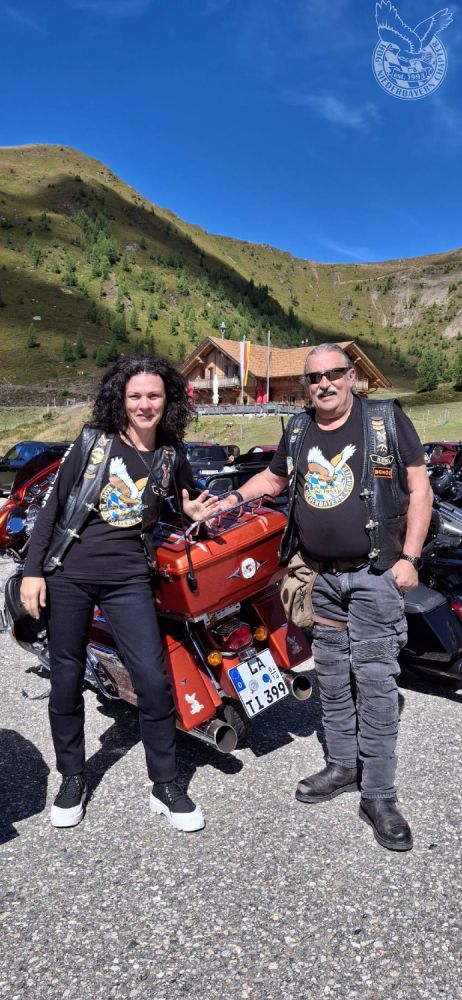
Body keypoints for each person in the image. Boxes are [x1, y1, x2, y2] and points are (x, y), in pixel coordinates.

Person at [219, 344, 433, 851]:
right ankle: (342, 766)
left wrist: (410, 558)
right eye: (314, 378)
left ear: (352, 376)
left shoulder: (384, 420)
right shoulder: (298, 430)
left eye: (334, 374)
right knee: (333, 682)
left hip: (374, 576)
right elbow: (274, 479)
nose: (324, 384)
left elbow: (419, 488)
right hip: (320, 579)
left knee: (376, 687)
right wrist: (229, 499)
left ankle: (379, 795)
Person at [20, 355, 219, 833]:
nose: (144, 404)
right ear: (120, 399)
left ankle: (165, 784)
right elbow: (53, 508)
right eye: (135, 396)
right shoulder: (94, 442)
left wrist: (193, 511)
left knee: (152, 679)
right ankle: (72, 777)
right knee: (66, 679)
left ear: (168, 400)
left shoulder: (170, 454)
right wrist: (33, 571)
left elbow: (184, 502)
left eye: (154, 395)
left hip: (130, 579)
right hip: (69, 573)